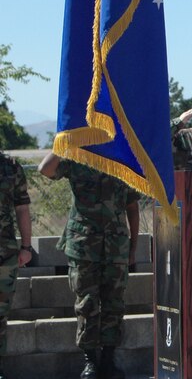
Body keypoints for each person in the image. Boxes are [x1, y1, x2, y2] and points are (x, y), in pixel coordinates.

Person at [38, 153, 139, 379]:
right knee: (87, 304)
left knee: (114, 304)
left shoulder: (121, 156)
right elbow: (45, 169)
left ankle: (109, 360)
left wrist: (133, 248)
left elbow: (132, 206)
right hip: (84, 246)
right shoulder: (76, 153)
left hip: (116, 246)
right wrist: (64, 140)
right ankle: (90, 361)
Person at [0, 152, 32, 379]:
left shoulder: (10, 166)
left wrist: (27, 247)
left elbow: (22, 208)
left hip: (4, 253)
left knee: (0, 314)